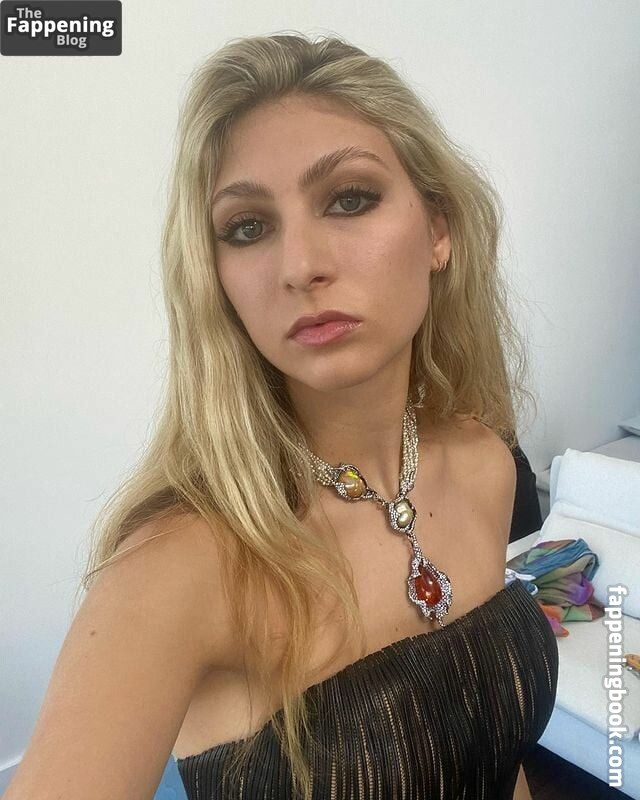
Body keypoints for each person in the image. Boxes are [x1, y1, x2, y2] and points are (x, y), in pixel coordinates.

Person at [5, 32, 558, 800]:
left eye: (350, 198)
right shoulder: (181, 567)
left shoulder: (485, 462)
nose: (300, 266)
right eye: (248, 228)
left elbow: (497, 754)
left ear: (439, 231)